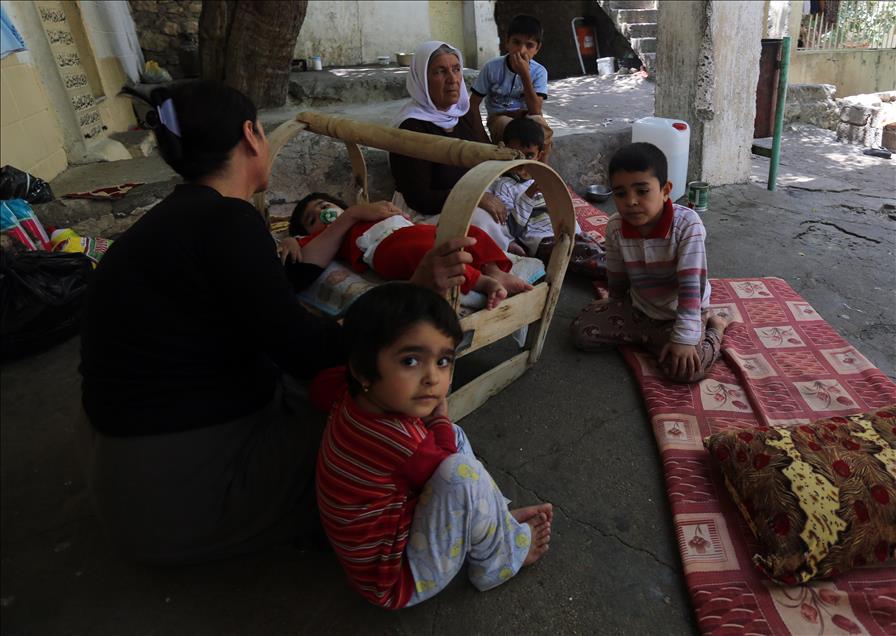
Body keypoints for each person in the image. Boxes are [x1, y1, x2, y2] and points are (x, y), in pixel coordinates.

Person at [78, 80, 477, 565]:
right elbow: (311, 350)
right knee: (383, 412)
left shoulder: (175, 222)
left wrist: (348, 218)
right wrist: (412, 295)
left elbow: (275, 285)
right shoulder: (228, 222)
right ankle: (465, 533)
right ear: (251, 135)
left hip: (125, 479)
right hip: (183, 494)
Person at [316, 282, 553, 609]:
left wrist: (440, 424)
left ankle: (494, 521)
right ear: (363, 371)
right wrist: (439, 418)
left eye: (443, 361)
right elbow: (450, 468)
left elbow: (319, 388)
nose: (432, 378)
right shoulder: (399, 441)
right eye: (411, 361)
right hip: (396, 580)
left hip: (376, 543)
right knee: (459, 468)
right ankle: (498, 559)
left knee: (451, 438)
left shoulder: (353, 399)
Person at [569, 142, 729, 382]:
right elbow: (617, 274)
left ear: (666, 191)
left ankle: (715, 328)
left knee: (687, 370)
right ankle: (651, 338)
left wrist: (683, 339)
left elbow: (690, 286)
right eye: (620, 193)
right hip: (639, 307)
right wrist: (614, 304)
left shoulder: (687, 225)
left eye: (642, 191)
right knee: (582, 332)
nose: (630, 201)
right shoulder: (615, 227)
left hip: (681, 312)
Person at [283, 192, 532, 309]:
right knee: (427, 254)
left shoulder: (367, 209)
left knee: (469, 233)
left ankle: (495, 269)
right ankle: (483, 282)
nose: (321, 214)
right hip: (384, 249)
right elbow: (305, 253)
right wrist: (293, 241)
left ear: (339, 205)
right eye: (312, 219)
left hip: (412, 230)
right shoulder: (328, 236)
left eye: (324, 206)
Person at [390, 40, 516, 251]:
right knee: (479, 221)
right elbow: (419, 198)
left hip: (474, 195)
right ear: (422, 80)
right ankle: (506, 256)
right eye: (440, 72)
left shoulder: (464, 112)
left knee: (524, 196)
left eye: (456, 69)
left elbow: (486, 156)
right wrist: (475, 198)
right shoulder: (411, 127)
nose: (452, 80)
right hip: (428, 212)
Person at [487, 118, 606, 277]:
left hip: (569, 232)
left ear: (539, 155)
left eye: (529, 155)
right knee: (592, 262)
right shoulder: (504, 186)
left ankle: (630, 269)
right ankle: (626, 276)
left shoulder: (542, 176)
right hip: (543, 241)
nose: (522, 161)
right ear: (505, 149)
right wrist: (529, 194)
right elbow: (513, 229)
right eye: (516, 155)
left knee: (599, 250)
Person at [469, 14, 554, 161]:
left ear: (537, 48)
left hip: (527, 118)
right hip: (499, 118)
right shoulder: (491, 68)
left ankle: (542, 173)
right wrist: (482, 138)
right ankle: (514, 174)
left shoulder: (539, 72)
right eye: (516, 42)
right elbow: (473, 104)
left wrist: (525, 75)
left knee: (543, 128)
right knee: (507, 126)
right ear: (507, 42)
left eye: (529, 45)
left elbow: (536, 111)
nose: (521, 50)